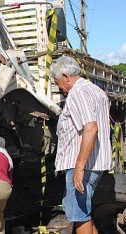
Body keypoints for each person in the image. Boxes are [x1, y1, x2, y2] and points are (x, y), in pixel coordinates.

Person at [50, 56, 112, 234]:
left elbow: (91, 128)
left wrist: (78, 168)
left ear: (66, 75)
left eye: (58, 82)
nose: (60, 87)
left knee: (78, 215)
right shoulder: (97, 91)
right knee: (84, 213)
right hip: (95, 163)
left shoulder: (77, 92)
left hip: (82, 165)